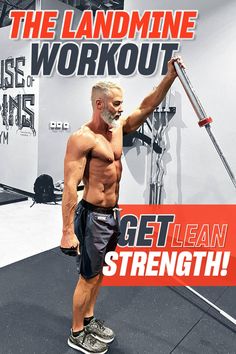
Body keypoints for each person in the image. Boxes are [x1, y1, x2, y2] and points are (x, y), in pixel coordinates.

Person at [60, 57, 183, 354]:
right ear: (99, 104)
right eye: (116, 103)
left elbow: (147, 106)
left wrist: (169, 78)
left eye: (121, 103)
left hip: (111, 215)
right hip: (91, 217)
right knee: (87, 277)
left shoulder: (118, 129)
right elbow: (69, 186)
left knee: (99, 272)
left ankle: (88, 319)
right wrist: (67, 230)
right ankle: (76, 333)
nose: (121, 108)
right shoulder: (82, 139)